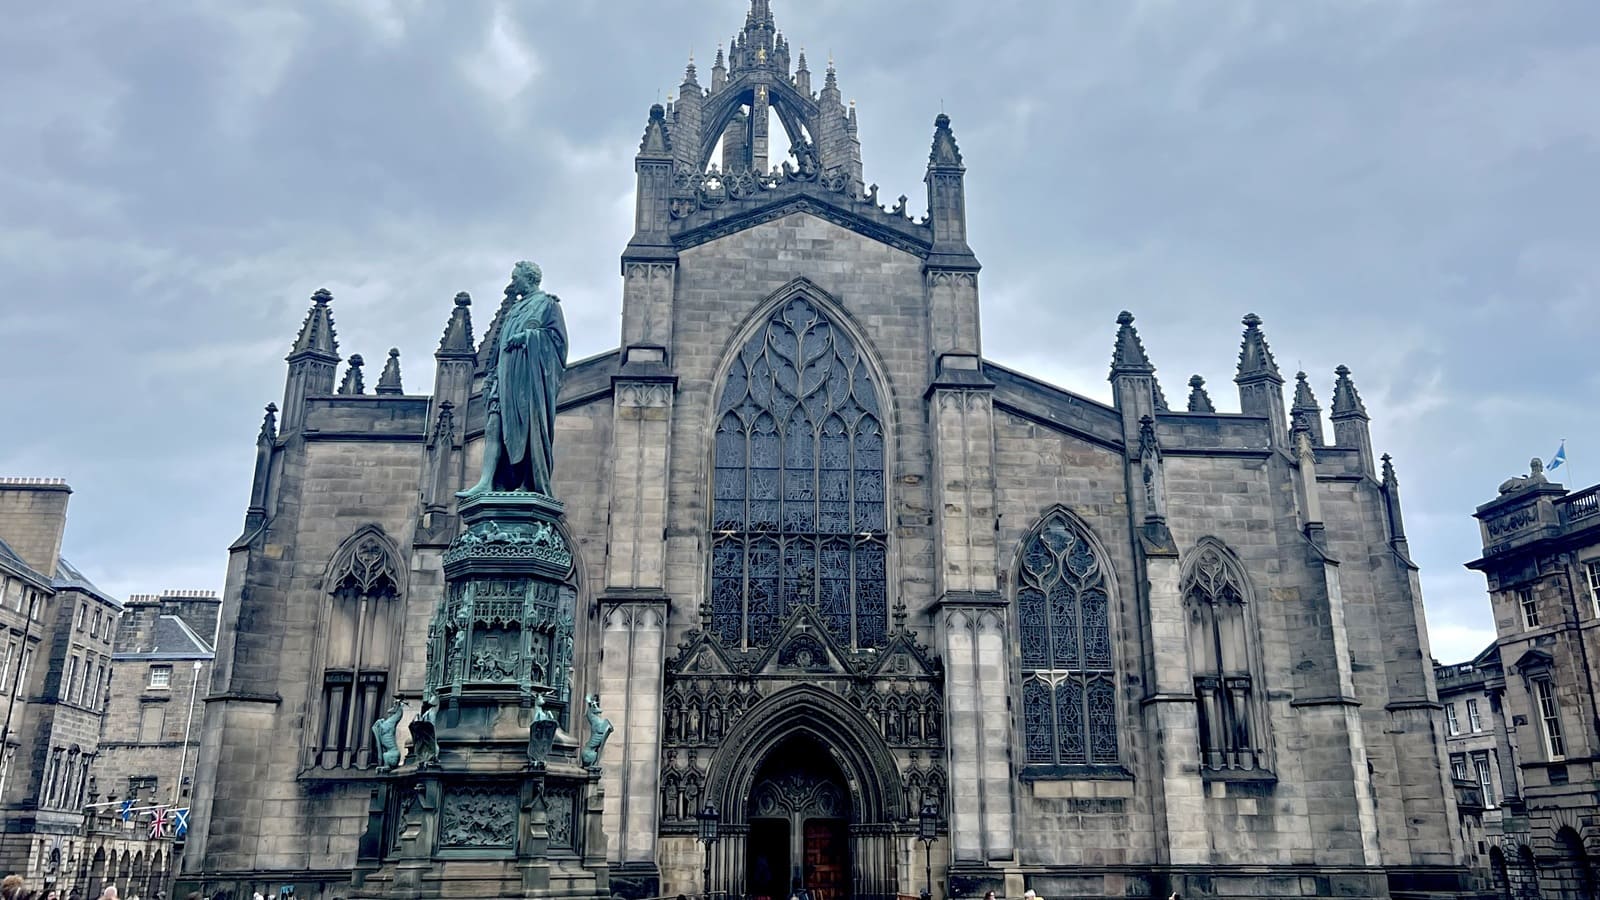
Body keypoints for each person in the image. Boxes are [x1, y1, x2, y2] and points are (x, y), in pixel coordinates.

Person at [458, 261, 568, 499]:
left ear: (528, 278)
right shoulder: (514, 309)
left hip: (528, 382)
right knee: (493, 427)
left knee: (529, 429)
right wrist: (491, 378)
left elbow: (558, 343)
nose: (512, 283)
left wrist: (527, 337)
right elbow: (498, 351)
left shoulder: (547, 304)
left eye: (515, 278)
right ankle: (486, 481)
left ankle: (530, 482)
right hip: (504, 378)